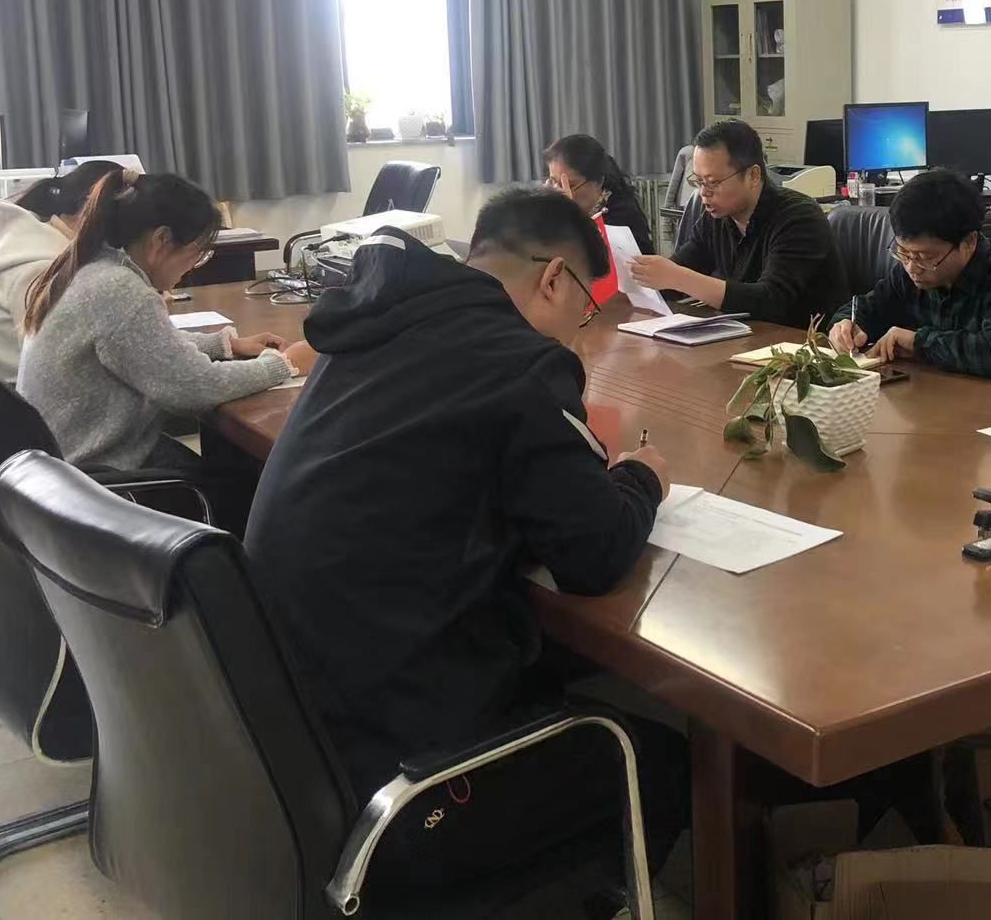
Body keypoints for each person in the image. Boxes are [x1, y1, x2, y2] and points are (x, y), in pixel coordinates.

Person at [245, 186, 683, 899]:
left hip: (291, 731)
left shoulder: (376, 323)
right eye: (584, 312)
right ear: (554, 279)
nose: (578, 335)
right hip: (398, 767)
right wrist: (641, 477)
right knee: (660, 759)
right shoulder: (518, 361)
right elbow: (595, 554)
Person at [17, 171, 315, 483]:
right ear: (162, 240)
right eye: (197, 254)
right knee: (255, 479)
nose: (192, 269)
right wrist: (285, 364)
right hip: (98, 481)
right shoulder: (119, 289)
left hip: (62, 472)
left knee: (234, 468)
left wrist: (224, 345)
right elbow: (195, 388)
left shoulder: (93, 266)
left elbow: (144, 345)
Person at [825, 168, 991, 378]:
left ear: (969, 242)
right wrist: (846, 326)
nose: (912, 267)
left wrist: (918, 342)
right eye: (903, 252)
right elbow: (866, 307)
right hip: (937, 394)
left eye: (926, 257)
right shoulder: (910, 272)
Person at [630, 119, 848, 329]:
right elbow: (683, 268)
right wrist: (645, 276)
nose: (704, 193)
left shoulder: (799, 217)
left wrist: (678, 278)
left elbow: (770, 301)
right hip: (743, 336)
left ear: (753, 175)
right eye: (698, 181)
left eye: (713, 182)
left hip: (800, 344)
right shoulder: (716, 217)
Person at [0, 161, 121, 381]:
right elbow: (57, 361)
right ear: (91, 209)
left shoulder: (34, 243)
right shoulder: (40, 266)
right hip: (19, 395)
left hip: (15, 386)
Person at [545, 132, 654, 254]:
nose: (560, 193)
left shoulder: (620, 218)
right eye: (554, 182)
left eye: (570, 185)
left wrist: (569, 217)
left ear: (599, 181)